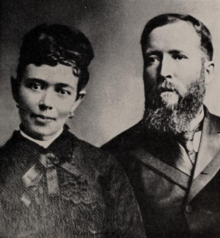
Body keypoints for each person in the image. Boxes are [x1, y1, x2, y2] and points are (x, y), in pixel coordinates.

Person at [0, 24, 146, 238]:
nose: (46, 103)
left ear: (76, 101)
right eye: (35, 86)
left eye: (61, 91)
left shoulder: (104, 169)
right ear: (15, 89)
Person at [102, 13, 220, 238]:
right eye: (153, 59)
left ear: (208, 72)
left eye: (178, 56)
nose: (164, 71)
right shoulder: (113, 158)